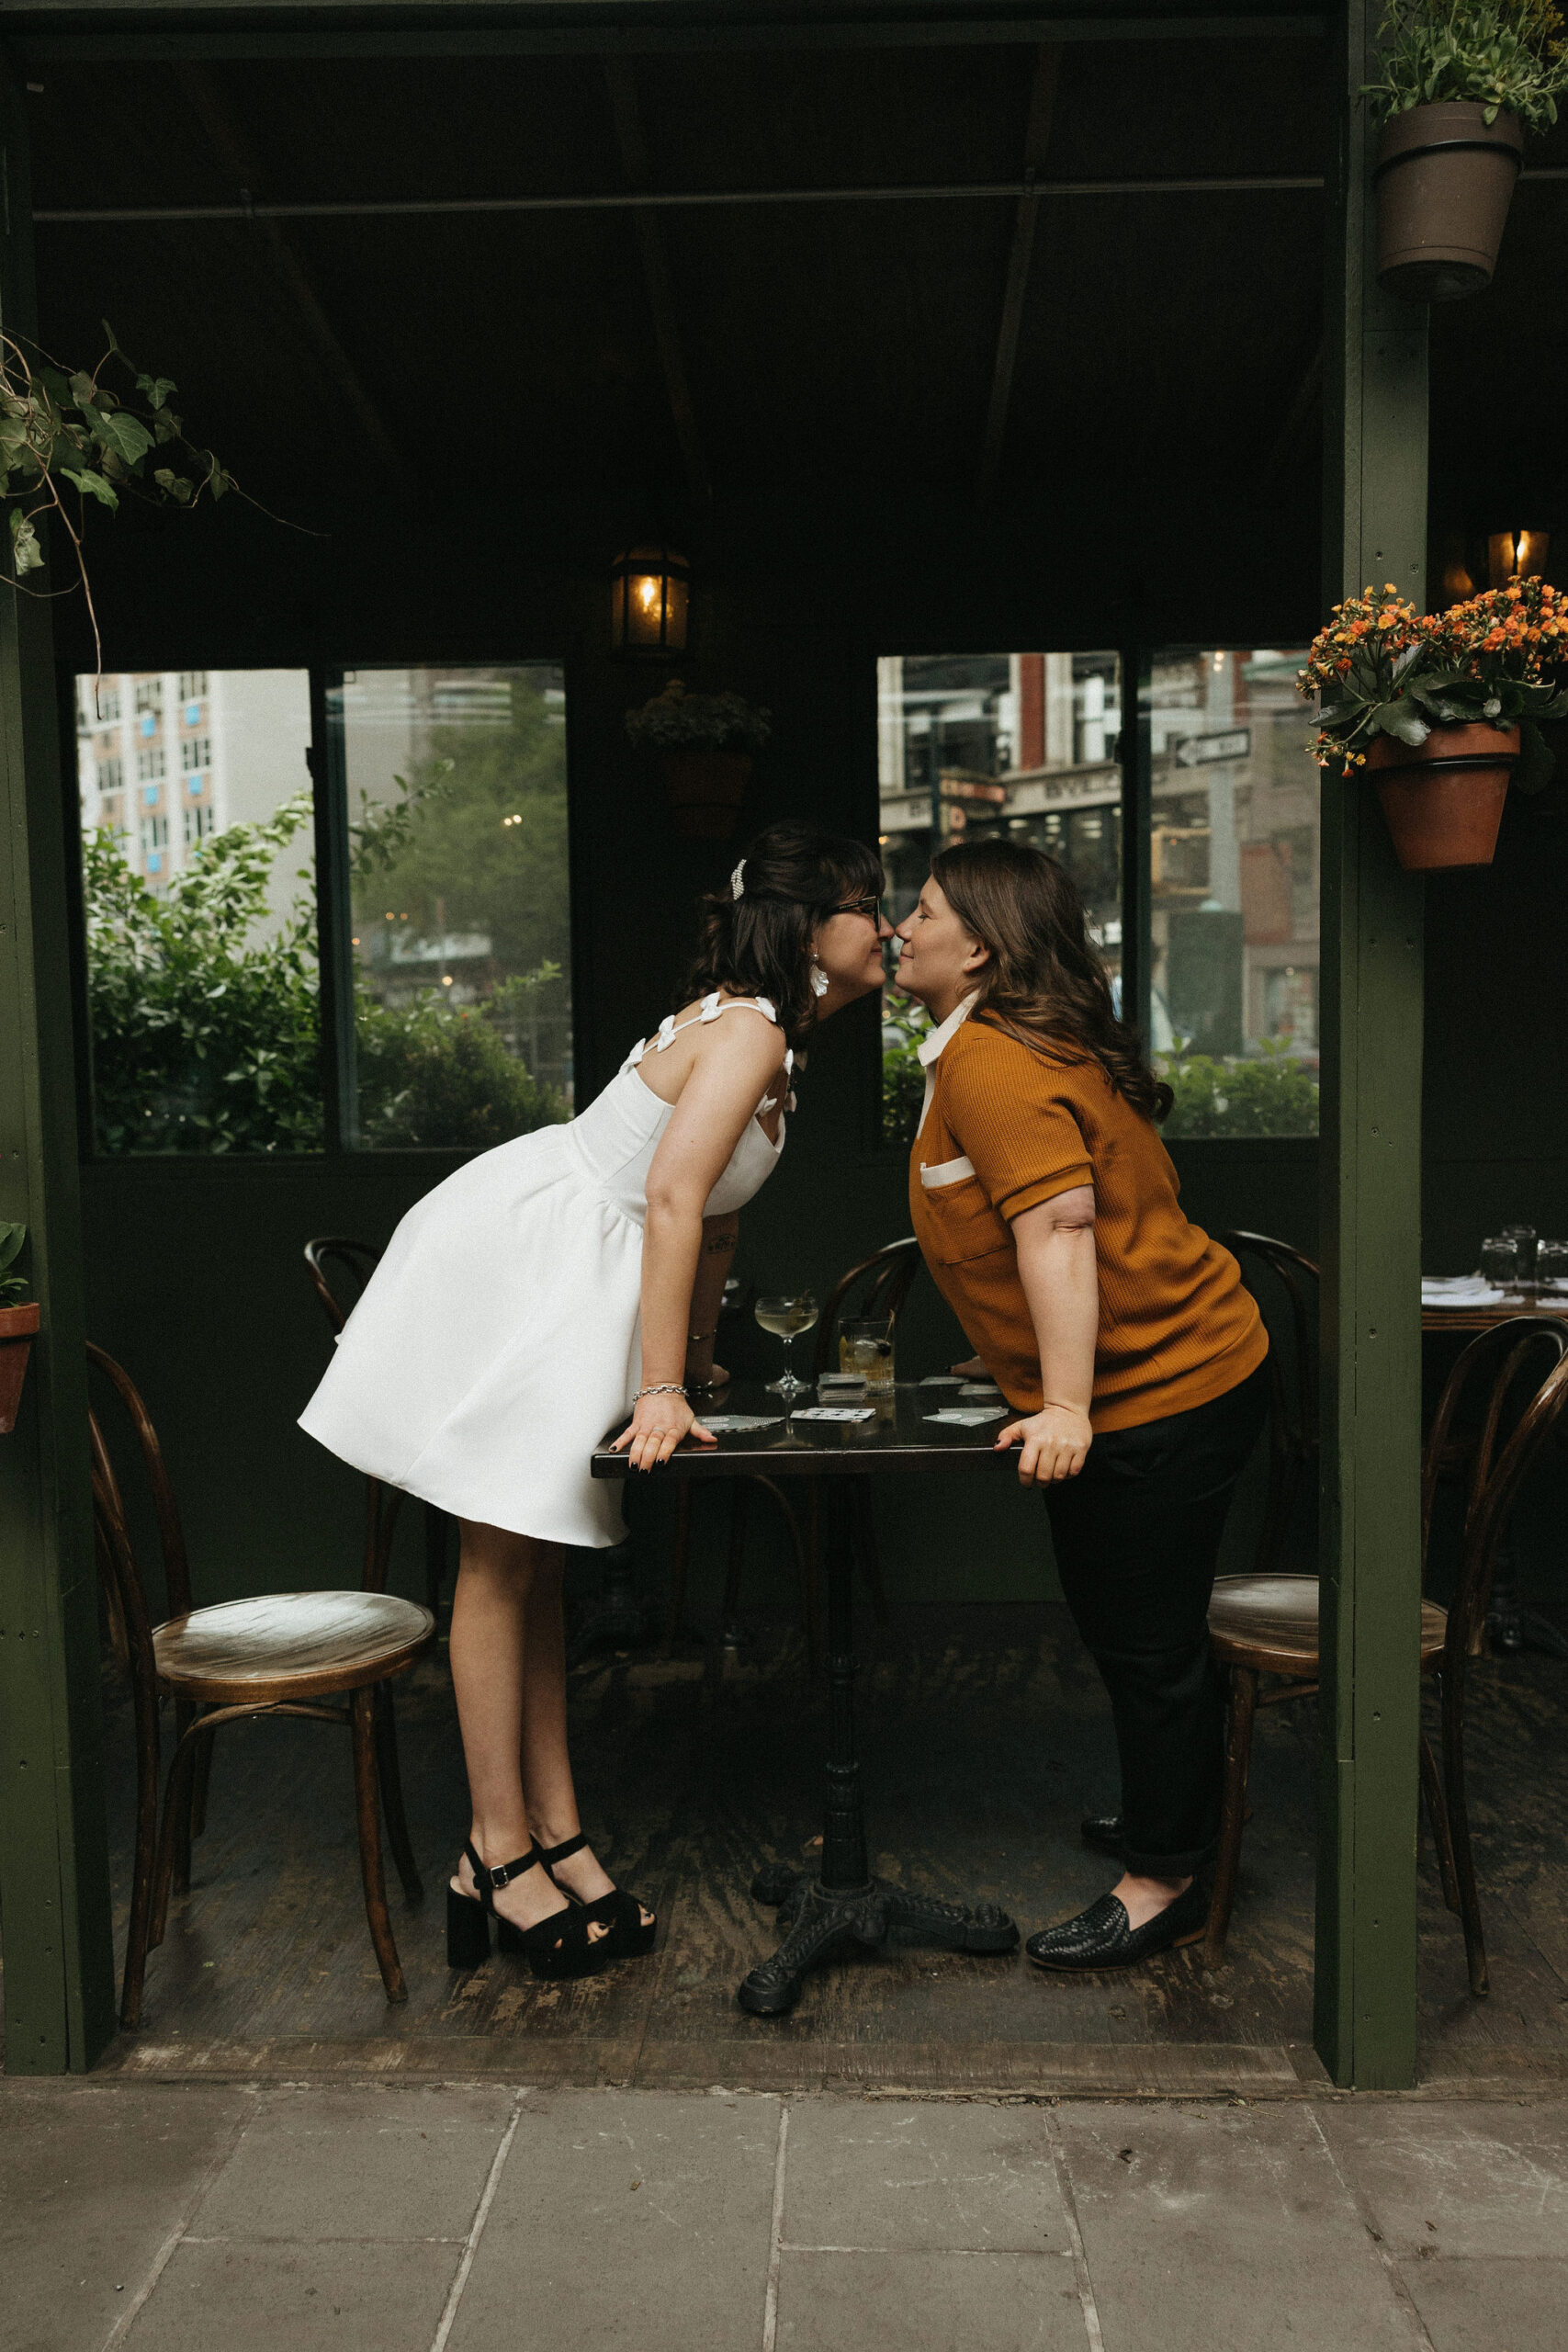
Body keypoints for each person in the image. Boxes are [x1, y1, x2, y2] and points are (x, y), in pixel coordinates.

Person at [301, 820, 892, 1982]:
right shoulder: (751, 1029)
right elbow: (672, 1199)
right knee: (496, 1556)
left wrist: (697, 1359)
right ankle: (495, 1848)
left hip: (588, 1273)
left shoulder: (773, 1034)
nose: (889, 925)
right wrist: (659, 1384)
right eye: (872, 904)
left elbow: (715, 1222)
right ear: (813, 931)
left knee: (539, 1561)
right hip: (533, 1262)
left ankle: (555, 1832)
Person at [894, 838, 1268, 1971]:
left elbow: (1058, 1229)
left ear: (982, 948)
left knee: (1145, 1638)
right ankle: (1178, 1813)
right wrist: (1007, 1354)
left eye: (922, 909)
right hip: (1183, 1369)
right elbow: (1055, 1225)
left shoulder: (994, 1062)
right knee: (1132, 1626)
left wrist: (1063, 1403)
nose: (900, 926)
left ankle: (1168, 1879)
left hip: (1163, 1386)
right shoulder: (1004, 1043)